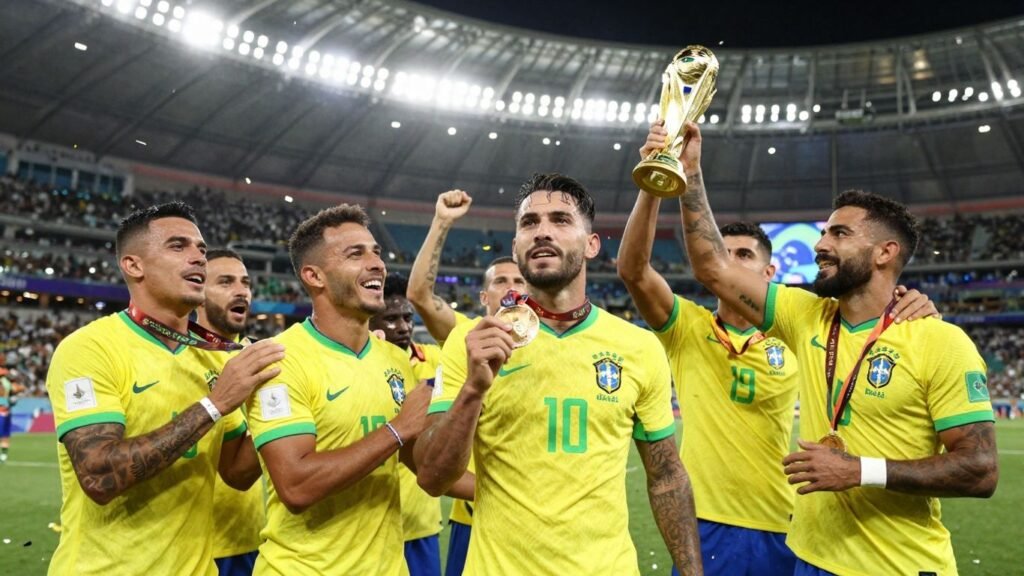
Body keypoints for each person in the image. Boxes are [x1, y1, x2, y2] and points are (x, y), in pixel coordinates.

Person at [655, 120, 999, 575]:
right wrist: (691, 172)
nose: (820, 245)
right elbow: (712, 268)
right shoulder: (805, 317)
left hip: (896, 566)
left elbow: (980, 468)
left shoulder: (939, 340)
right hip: (810, 559)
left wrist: (859, 471)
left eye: (840, 234)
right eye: (824, 233)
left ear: (884, 252)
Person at [619, 166, 941, 574]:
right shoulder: (686, 326)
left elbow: (864, 317)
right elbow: (634, 271)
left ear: (769, 274)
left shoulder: (798, 331)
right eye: (723, 252)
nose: (729, 261)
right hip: (706, 518)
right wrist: (655, 180)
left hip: (784, 518)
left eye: (743, 255)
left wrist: (908, 304)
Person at [415, 174, 703, 575]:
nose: (542, 231)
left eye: (561, 220)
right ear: (515, 247)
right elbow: (432, 477)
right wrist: (473, 390)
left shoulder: (638, 347)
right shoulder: (472, 342)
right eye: (529, 223)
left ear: (592, 245)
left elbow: (667, 477)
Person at [45, 201, 284, 575]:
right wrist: (214, 405)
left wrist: (284, 397)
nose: (198, 258)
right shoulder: (89, 348)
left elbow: (238, 474)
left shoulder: (214, 360)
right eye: (178, 246)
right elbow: (99, 476)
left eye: (201, 249)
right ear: (133, 265)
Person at [245, 204, 431, 576]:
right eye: (355, 254)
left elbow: (427, 468)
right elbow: (296, 486)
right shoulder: (280, 360)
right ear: (314, 276)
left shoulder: (395, 361)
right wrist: (397, 430)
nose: (377, 264)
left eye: (376, 252)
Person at [405, 189, 527, 576]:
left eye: (519, 280)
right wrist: (442, 221)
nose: (511, 286)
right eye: (501, 281)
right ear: (485, 296)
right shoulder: (467, 335)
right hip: (473, 516)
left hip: (540, 517)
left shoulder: (557, 342)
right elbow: (419, 295)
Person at [196, 248, 265, 576]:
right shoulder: (182, 357)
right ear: (197, 293)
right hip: (199, 547)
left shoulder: (262, 356)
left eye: (245, 283)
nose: (241, 291)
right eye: (225, 282)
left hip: (256, 540)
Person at [370, 272, 443, 576]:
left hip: (421, 522)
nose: (403, 327)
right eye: (391, 319)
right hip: (373, 521)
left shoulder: (436, 359)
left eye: (407, 318)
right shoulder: (360, 367)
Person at [0, 367, 24, 463]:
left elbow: (18, 389)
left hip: (5, 411)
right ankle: (3, 455)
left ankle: (4, 455)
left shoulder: (6, 383)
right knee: (4, 434)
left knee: (5, 434)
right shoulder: (6, 382)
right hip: (4, 410)